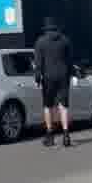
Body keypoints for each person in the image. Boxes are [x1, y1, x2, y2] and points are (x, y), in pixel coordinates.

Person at [34, 16, 74, 148]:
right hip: (63, 76)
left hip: (48, 77)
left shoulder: (40, 42)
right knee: (64, 105)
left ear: (45, 28)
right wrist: (71, 73)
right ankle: (66, 135)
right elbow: (69, 61)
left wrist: (38, 77)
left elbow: (38, 64)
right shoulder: (65, 41)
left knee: (48, 106)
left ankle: (50, 136)